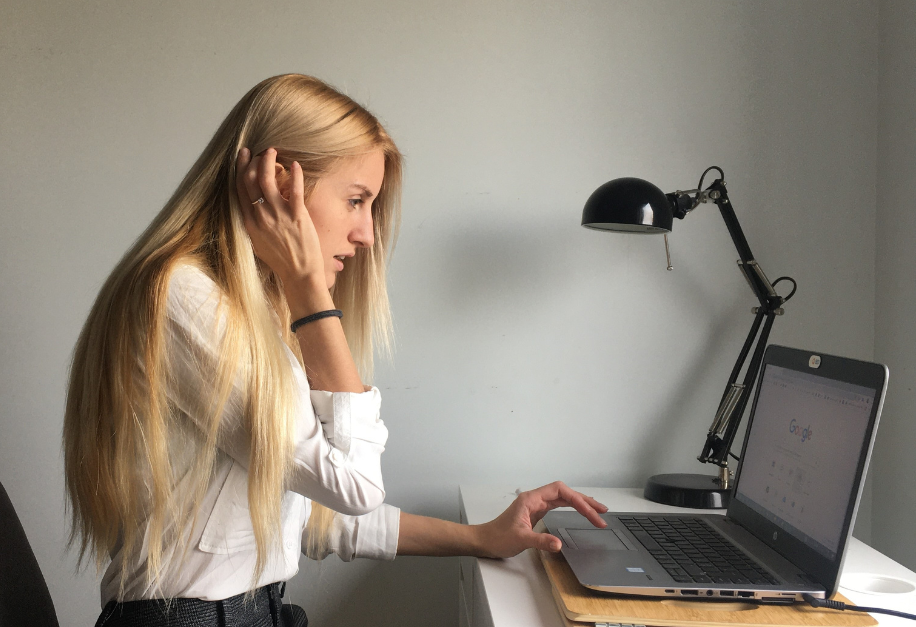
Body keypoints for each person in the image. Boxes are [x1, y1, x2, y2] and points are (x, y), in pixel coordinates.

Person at [63, 74, 609, 627]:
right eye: (356, 200)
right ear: (278, 187)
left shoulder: (247, 309)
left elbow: (314, 516)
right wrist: (308, 291)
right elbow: (353, 486)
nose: (367, 234)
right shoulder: (183, 297)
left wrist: (482, 538)